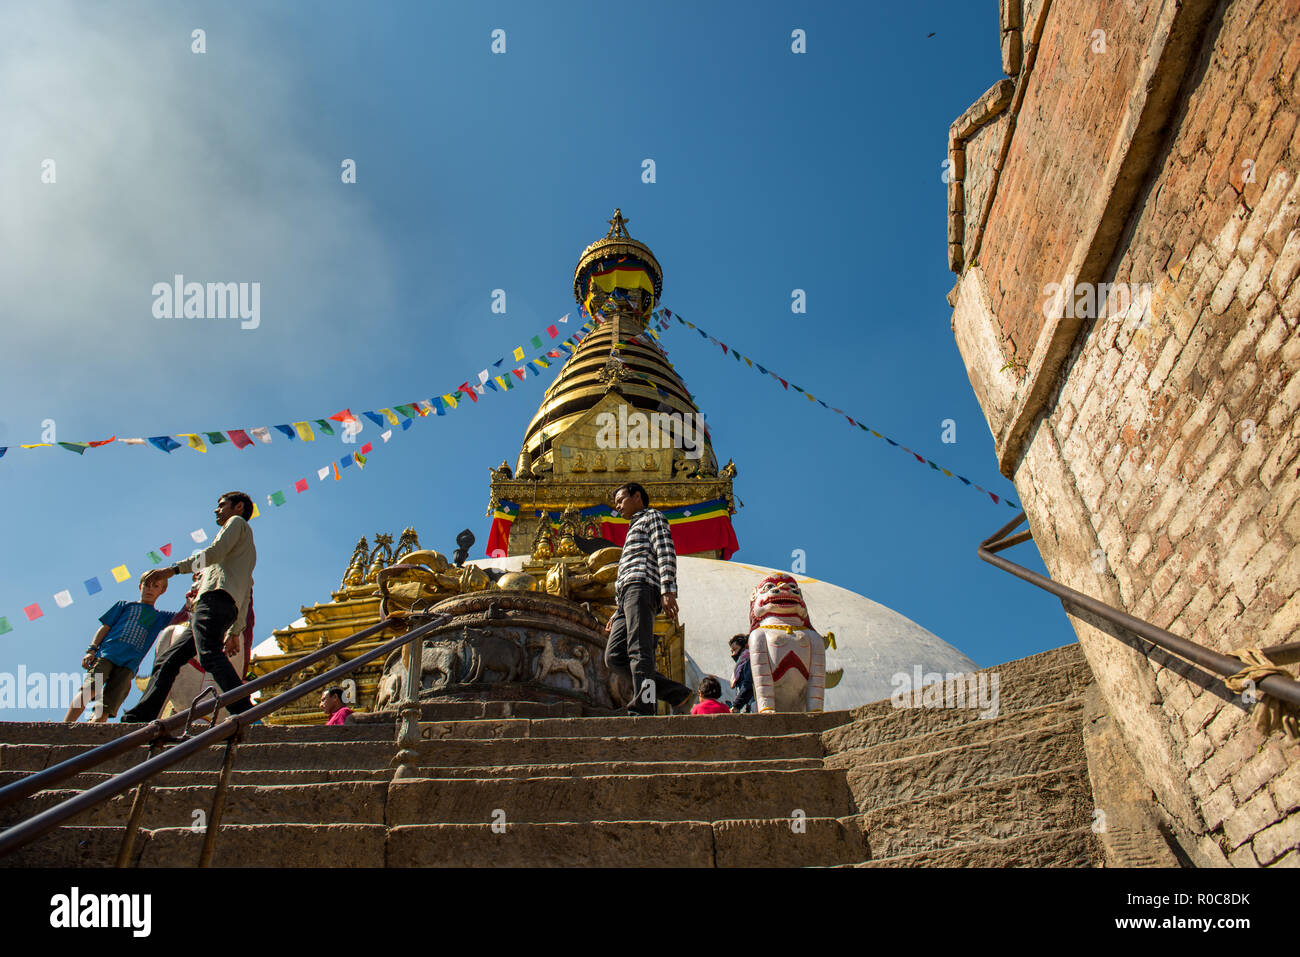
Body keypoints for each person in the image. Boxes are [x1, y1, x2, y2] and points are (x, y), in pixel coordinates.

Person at [122, 492, 257, 722]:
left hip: (214, 600)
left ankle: (244, 709)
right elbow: (245, 592)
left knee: (209, 655)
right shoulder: (247, 551)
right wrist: (236, 631)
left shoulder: (235, 524)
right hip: (222, 606)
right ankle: (142, 715)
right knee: (170, 659)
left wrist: (172, 570)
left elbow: (213, 553)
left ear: (239, 507)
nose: (217, 510)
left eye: (222, 505)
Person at [604, 482, 692, 716]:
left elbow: (665, 551)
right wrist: (616, 611)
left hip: (642, 587)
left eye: (621, 500)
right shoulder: (633, 527)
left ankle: (645, 706)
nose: (618, 507)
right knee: (614, 656)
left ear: (637, 496)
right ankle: (676, 693)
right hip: (626, 597)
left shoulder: (652, 517)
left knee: (639, 649)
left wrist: (667, 589)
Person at [63, 572, 177, 723]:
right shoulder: (125, 606)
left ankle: (93, 730)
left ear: (162, 591)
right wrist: (92, 649)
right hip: (107, 654)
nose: (150, 589)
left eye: (155, 586)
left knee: (108, 705)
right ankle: (66, 725)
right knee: (90, 689)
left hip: (129, 665)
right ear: (140, 587)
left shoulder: (160, 617)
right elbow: (105, 627)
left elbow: (185, 614)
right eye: (146, 585)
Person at [729, 634, 755, 713]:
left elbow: (747, 685)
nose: (733, 654)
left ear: (745, 647)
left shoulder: (750, 662)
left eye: (735, 649)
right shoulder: (741, 665)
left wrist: (736, 705)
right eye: (731, 651)